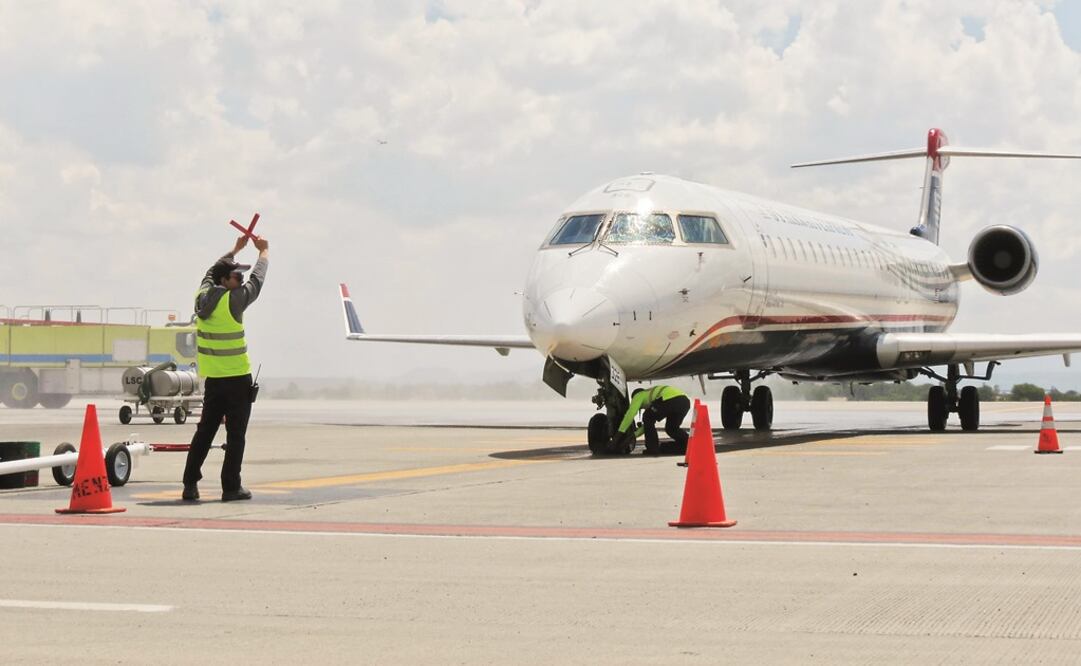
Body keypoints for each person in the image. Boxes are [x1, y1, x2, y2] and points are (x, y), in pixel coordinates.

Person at [182, 233, 269, 501]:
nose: (240, 280)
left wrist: (235, 249)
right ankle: (231, 487)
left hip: (214, 381)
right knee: (236, 437)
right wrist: (263, 252)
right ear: (225, 281)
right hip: (236, 379)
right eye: (236, 276)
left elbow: (211, 270)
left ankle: (189, 485)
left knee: (205, 432)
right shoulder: (235, 299)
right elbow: (258, 279)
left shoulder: (202, 296)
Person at [615, 385, 691, 454]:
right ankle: (690, 445)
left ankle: (653, 449)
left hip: (670, 400)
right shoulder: (653, 395)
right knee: (671, 428)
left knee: (647, 416)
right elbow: (648, 425)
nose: (643, 408)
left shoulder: (638, 395)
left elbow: (630, 414)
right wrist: (633, 435)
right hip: (684, 402)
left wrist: (620, 433)